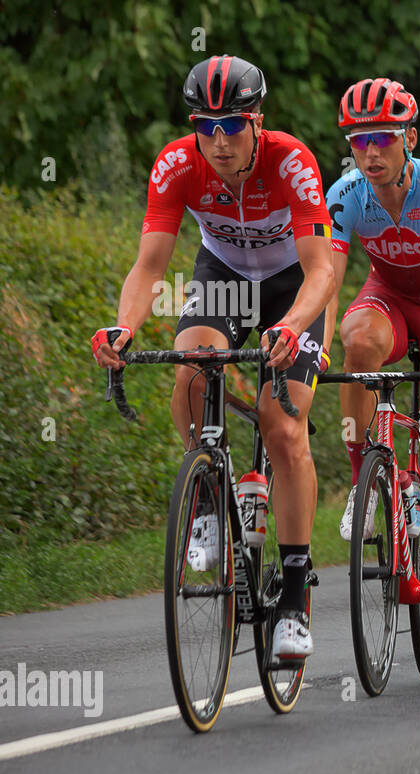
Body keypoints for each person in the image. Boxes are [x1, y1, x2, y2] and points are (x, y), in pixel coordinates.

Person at [92, 54, 333, 665]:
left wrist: (294, 325)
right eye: (206, 126)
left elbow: (323, 270)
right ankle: (207, 500)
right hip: (223, 274)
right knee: (194, 363)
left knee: (283, 427)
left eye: (232, 126)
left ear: (258, 120)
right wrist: (123, 328)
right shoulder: (177, 164)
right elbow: (150, 267)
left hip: (289, 285)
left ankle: (296, 593)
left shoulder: (293, 161)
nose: (219, 142)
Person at [325, 77, 420, 645]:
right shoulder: (344, 195)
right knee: (356, 340)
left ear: (409, 138)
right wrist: (315, 348)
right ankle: (364, 485)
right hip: (388, 299)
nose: (370, 153)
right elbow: (329, 281)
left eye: (384, 139)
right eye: (358, 140)